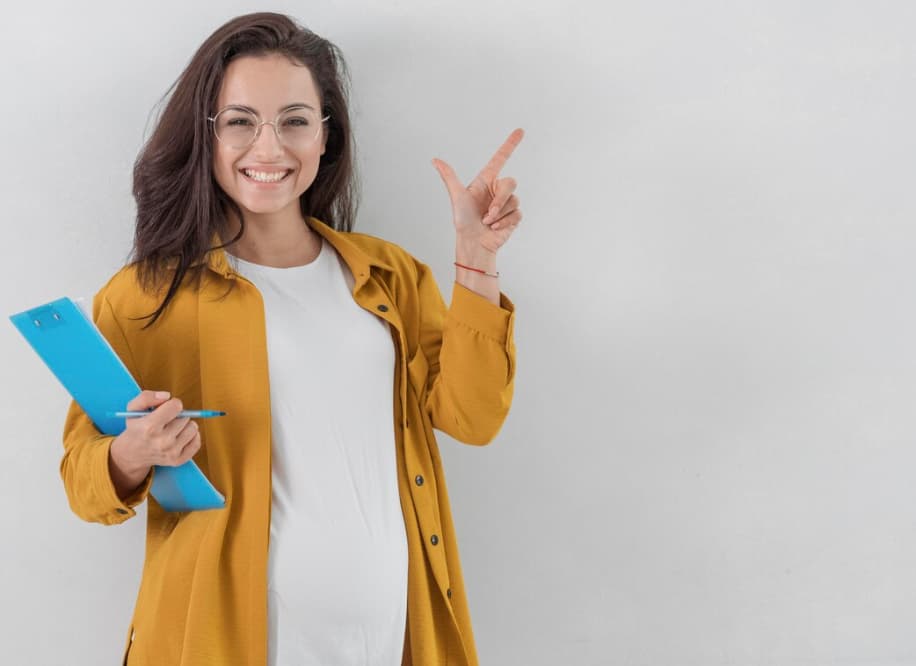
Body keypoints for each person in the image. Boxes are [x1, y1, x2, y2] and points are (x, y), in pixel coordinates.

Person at [59, 11, 521, 666]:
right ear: (207, 134)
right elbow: (84, 482)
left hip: (390, 635)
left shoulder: (389, 274)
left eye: (296, 120)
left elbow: (472, 418)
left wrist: (476, 262)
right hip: (217, 639)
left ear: (326, 136)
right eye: (241, 121)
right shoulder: (147, 295)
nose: (270, 148)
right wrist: (133, 452)